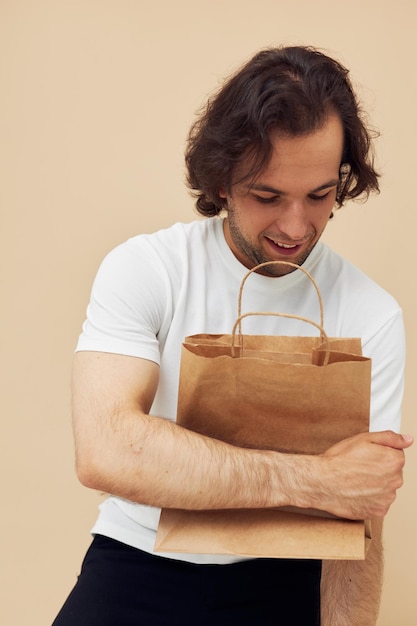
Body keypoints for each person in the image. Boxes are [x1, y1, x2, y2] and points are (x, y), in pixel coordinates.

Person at [53, 45, 413, 625]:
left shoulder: (371, 313)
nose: (296, 227)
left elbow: (361, 512)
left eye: (320, 196)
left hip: (286, 573)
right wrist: (315, 479)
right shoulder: (148, 268)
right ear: (222, 181)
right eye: (268, 197)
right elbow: (107, 450)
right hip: (139, 560)